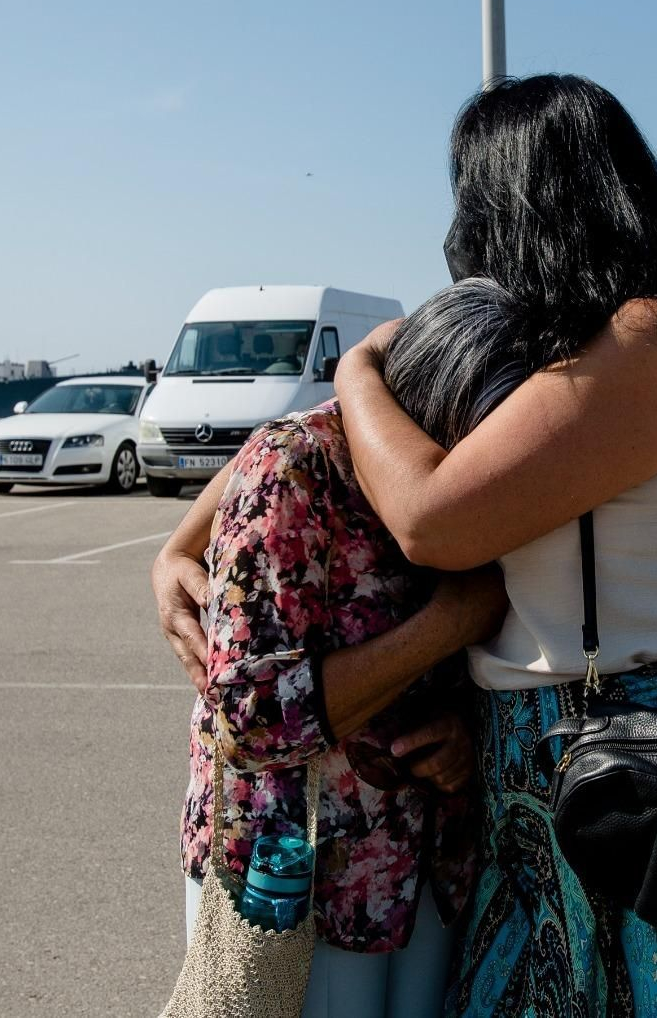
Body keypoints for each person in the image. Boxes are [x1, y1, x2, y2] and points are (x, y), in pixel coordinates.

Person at [156, 74, 657, 1017]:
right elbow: (298, 448)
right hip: (555, 756)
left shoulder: (653, 338)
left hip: (648, 762)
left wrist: (357, 367)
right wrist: (179, 546)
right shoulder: (566, 344)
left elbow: (435, 519)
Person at [178, 279, 521, 1018]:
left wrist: (466, 740)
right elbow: (250, 715)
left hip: (426, 871)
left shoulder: (486, 479)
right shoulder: (292, 468)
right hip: (297, 884)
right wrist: (447, 623)